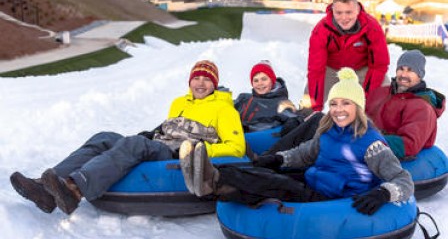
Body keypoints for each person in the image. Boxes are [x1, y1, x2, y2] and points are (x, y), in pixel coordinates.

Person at [10, 60, 246, 215]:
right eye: (197, 77)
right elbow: (166, 130)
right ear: (190, 81)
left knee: (135, 144)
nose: (201, 83)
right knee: (105, 137)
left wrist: (197, 152)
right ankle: (46, 190)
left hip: (177, 153)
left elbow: (236, 148)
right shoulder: (179, 103)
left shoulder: (225, 110)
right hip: (160, 144)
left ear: (214, 83)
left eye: (207, 79)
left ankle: (74, 190)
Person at [180, 68, 413, 216]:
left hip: (332, 198)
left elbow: (404, 180)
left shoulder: (371, 143)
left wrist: (383, 194)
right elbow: (305, 153)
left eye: (346, 104)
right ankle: (215, 178)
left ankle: (212, 180)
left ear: (359, 108)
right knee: (265, 175)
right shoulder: (328, 130)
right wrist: (279, 158)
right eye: (334, 104)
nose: (338, 110)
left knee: (279, 185)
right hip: (315, 181)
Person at [304, 0, 390, 112]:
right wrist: (314, 108)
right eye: (339, 13)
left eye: (349, 12)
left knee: (383, 92)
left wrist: (365, 100)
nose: (344, 18)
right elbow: (316, 70)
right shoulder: (321, 30)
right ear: (332, 10)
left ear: (357, 10)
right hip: (332, 69)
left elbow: (379, 65)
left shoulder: (371, 27)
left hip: (361, 68)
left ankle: (382, 125)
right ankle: (305, 121)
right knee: (308, 103)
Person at [366, 50, 446, 159]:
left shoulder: (422, 107)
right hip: (366, 146)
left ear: (420, 75)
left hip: (394, 159)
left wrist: (368, 140)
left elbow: (409, 144)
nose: (403, 74)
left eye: (410, 70)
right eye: (401, 69)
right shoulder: (381, 92)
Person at [234, 60, 310, 132]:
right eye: (256, 80)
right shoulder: (244, 98)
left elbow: (295, 118)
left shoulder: (281, 103)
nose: (260, 83)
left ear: (272, 80)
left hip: (261, 139)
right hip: (237, 137)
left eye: (264, 79)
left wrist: (293, 122)